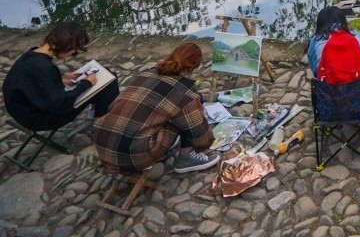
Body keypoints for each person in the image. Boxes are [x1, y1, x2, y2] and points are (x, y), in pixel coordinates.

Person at [93, 42, 220, 174]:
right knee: (184, 117)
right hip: (133, 154)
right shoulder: (185, 93)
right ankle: (185, 158)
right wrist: (206, 142)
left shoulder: (146, 74)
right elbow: (200, 135)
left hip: (102, 142)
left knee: (160, 111)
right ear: (194, 66)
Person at [2, 20, 119, 132]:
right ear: (67, 45)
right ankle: (102, 126)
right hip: (41, 118)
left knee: (106, 73)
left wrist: (60, 77)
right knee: (109, 81)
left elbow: (33, 80)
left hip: (25, 111)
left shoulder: (32, 55)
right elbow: (61, 103)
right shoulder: (44, 67)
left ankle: (96, 114)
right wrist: (86, 83)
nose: (74, 53)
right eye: (74, 49)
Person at [306, 6, 360, 106]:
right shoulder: (357, 38)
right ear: (343, 20)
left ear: (320, 23)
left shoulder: (315, 42)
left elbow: (315, 71)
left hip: (330, 100)